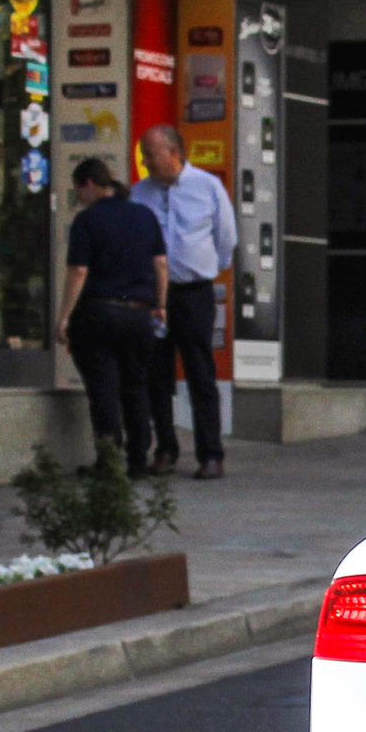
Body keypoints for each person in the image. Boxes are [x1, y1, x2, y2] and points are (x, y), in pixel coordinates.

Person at [131, 125, 237, 479]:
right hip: (152, 297)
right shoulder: (139, 194)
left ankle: (210, 453)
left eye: (150, 154)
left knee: (199, 373)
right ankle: (165, 447)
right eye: (143, 154)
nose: (144, 161)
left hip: (192, 292)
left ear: (173, 152)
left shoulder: (207, 187)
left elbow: (226, 238)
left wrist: (205, 267)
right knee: (155, 374)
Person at [53, 158, 167, 475]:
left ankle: (107, 458)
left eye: (78, 190)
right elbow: (161, 264)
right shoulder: (145, 216)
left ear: (89, 183)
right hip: (139, 316)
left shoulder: (87, 221)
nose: (79, 197)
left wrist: (64, 317)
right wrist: (161, 304)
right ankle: (138, 459)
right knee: (135, 385)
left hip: (98, 313)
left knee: (102, 388)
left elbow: (78, 271)